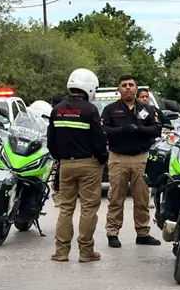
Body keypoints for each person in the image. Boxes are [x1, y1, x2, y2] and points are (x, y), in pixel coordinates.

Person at [47, 69, 108, 263]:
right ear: (89, 87)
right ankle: (86, 251)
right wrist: (102, 159)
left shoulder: (57, 110)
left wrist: (60, 158)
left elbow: (51, 141)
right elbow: (99, 139)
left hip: (66, 164)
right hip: (89, 164)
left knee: (66, 208)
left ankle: (61, 252)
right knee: (88, 208)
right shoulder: (90, 110)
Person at [101, 75, 162, 248]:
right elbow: (103, 129)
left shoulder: (147, 109)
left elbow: (157, 129)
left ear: (136, 88)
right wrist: (122, 130)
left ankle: (143, 233)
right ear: (118, 89)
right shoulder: (110, 109)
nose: (127, 88)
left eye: (131, 85)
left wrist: (140, 130)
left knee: (142, 198)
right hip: (118, 157)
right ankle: (113, 233)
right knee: (116, 198)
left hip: (141, 158)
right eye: (124, 85)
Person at [49, 94, 65, 203]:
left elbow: (51, 135)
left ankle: (58, 193)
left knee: (58, 173)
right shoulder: (63, 111)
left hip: (59, 151)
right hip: (64, 151)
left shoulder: (55, 112)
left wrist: (54, 154)